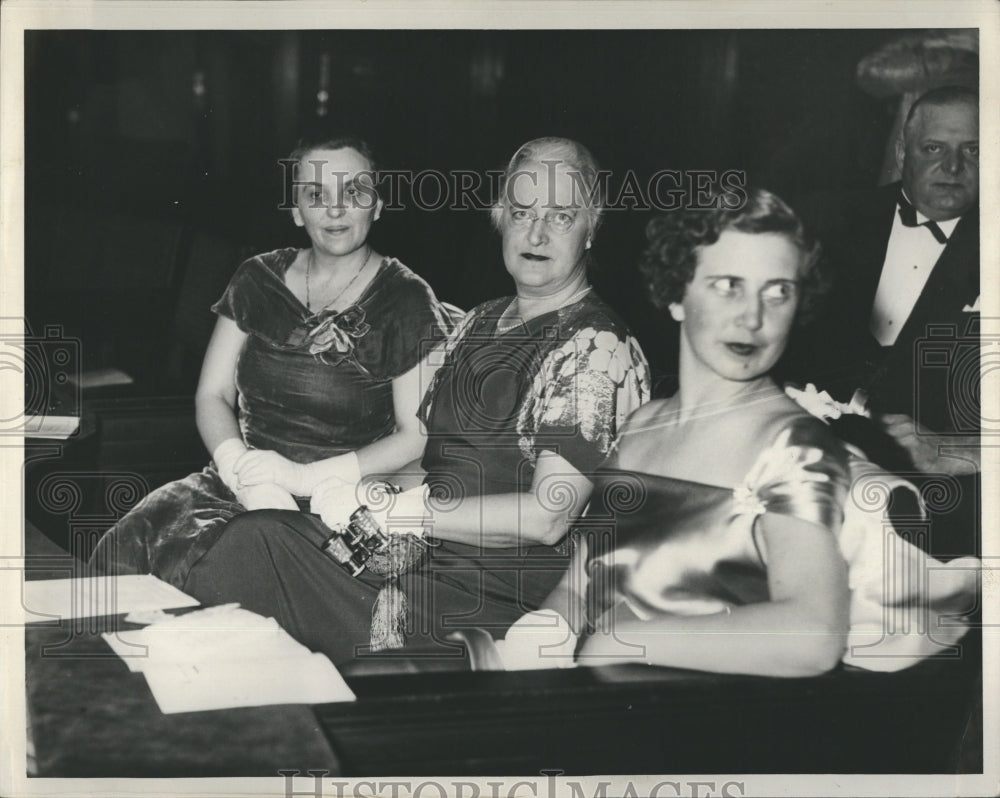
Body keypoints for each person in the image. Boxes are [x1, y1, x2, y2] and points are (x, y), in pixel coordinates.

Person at [183, 137, 651, 663]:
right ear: (499, 217)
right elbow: (427, 460)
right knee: (257, 538)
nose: (536, 233)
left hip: (485, 593)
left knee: (250, 560)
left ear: (592, 227)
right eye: (522, 212)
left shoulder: (594, 345)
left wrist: (403, 514)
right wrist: (361, 501)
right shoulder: (481, 320)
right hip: (414, 560)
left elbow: (548, 516)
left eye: (561, 216)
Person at [488, 188, 979, 677]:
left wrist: (625, 640)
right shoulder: (641, 426)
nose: (753, 317)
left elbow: (813, 636)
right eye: (728, 285)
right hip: (608, 715)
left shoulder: (794, 444)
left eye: (778, 291)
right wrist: (543, 634)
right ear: (677, 295)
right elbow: (581, 586)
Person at [89, 136, 456, 588]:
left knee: (226, 581)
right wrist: (238, 468)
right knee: (124, 553)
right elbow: (213, 394)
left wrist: (303, 478)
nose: (335, 209)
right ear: (297, 210)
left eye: (354, 192)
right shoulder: (257, 277)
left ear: (377, 205)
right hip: (239, 481)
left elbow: (416, 435)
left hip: (335, 502)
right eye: (316, 194)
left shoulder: (406, 297)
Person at [783, 86, 980, 557]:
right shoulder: (822, 222)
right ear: (901, 151)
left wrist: (957, 451)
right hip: (800, 494)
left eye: (973, 151)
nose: (952, 167)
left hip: (938, 524)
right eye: (934, 148)